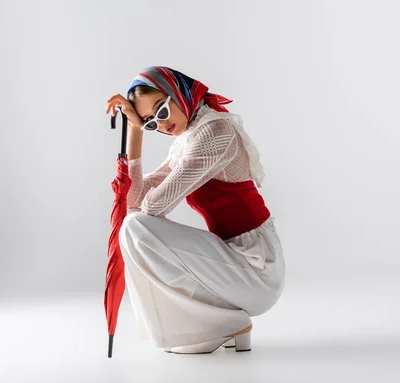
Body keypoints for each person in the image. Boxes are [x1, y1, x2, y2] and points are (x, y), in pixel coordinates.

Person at [104, 66, 285, 354]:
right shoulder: (187, 139)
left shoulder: (215, 131)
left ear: (179, 92)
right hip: (232, 261)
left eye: (161, 111)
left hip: (257, 267)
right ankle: (222, 324)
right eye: (151, 122)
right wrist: (136, 134)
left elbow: (152, 206)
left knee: (136, 227)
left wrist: (139, 129)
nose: (161, 125)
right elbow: (133, 202)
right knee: (132, 225)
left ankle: (220, 324)